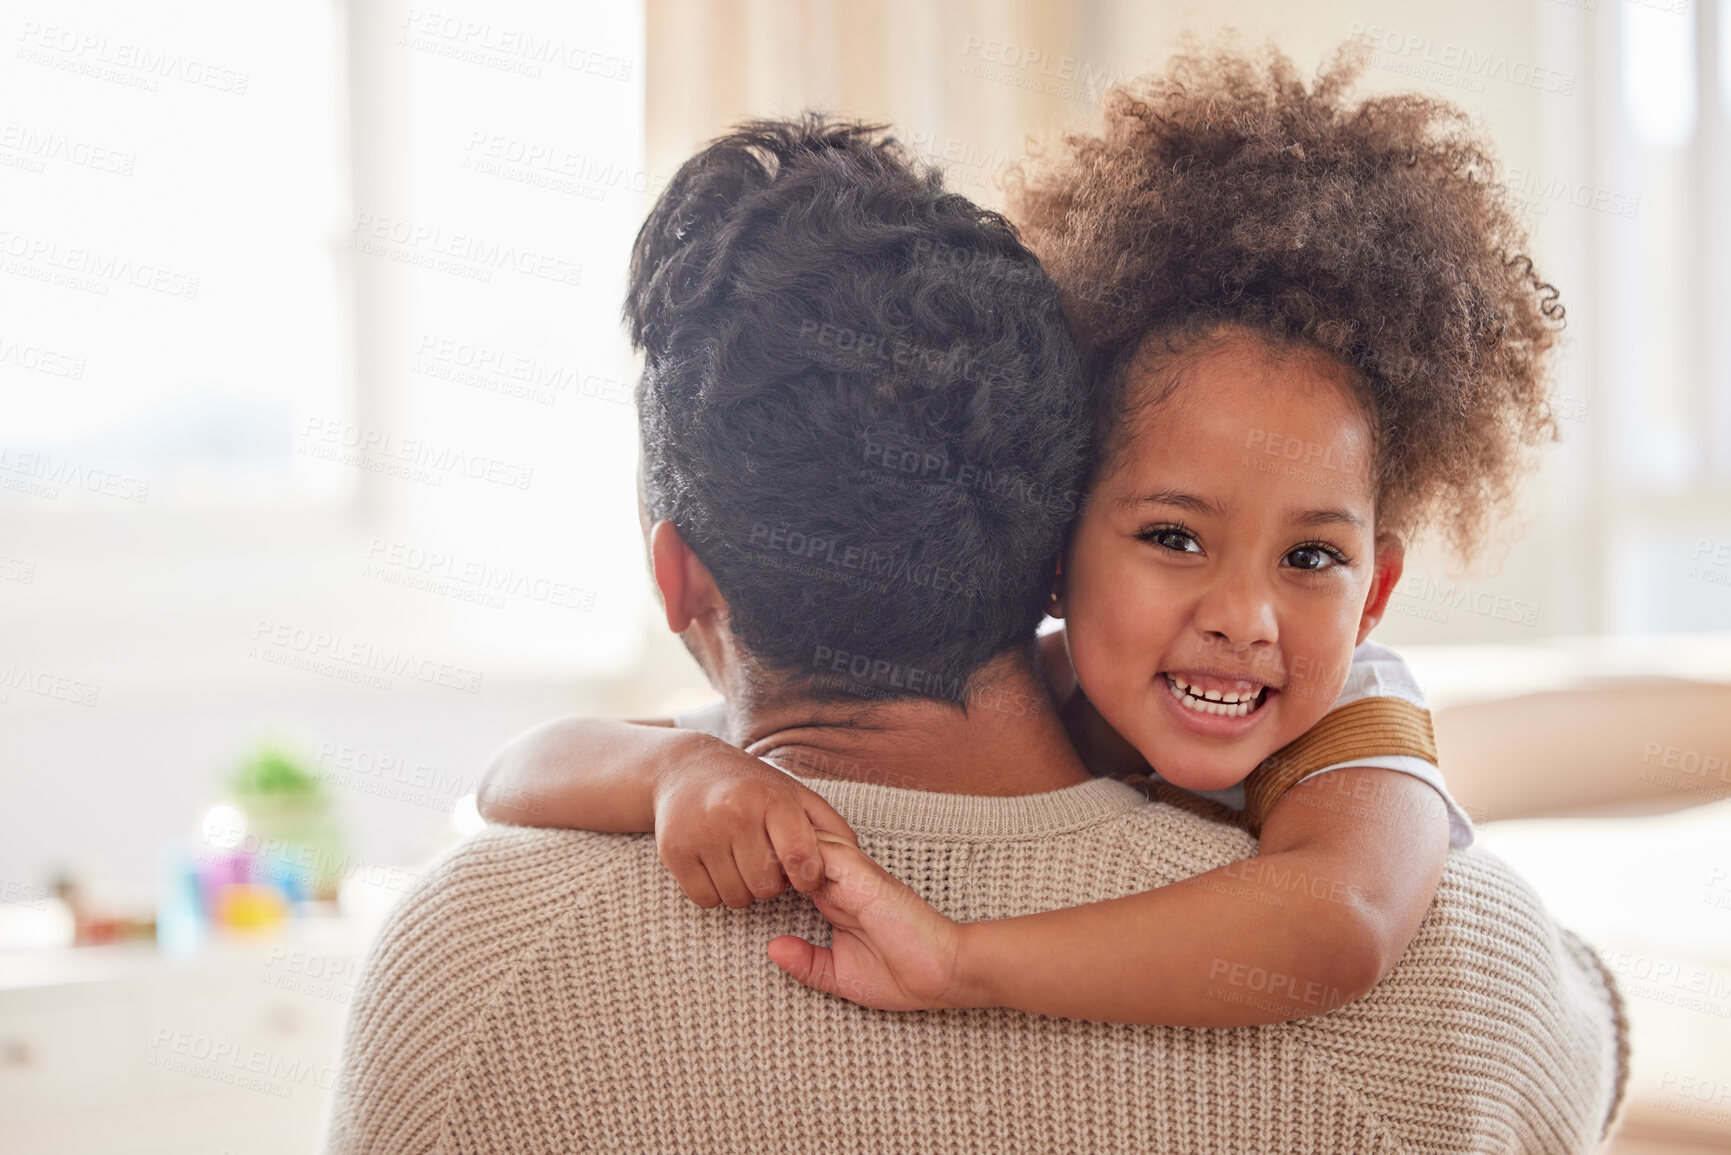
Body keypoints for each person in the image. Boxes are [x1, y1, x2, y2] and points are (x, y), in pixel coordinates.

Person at [327, 95, 1624, 1155]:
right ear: (1059, 535)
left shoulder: (468, 959)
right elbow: (1587, 1033)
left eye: (1311, 558)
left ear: (681, 583)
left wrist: (961, 959)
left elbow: (1339, 918)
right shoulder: (1468, 973)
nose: (1239, 619)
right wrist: (676, 765)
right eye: (1175, 537)